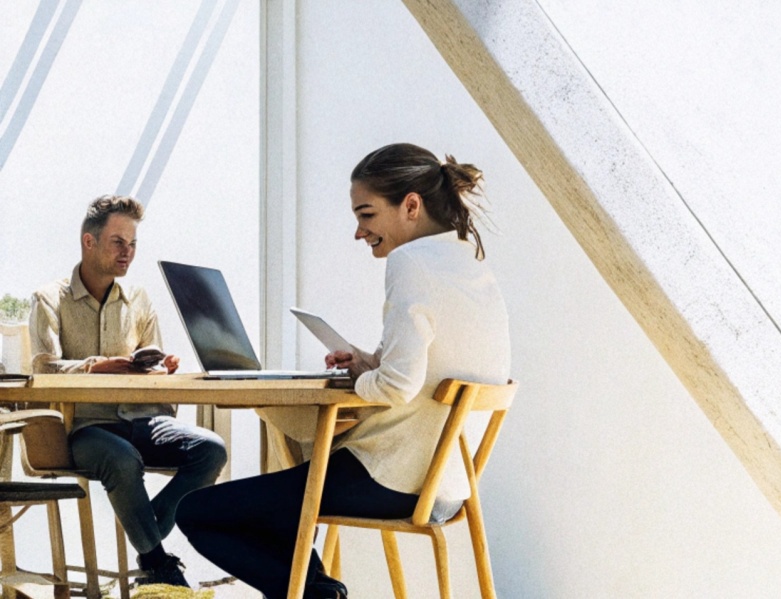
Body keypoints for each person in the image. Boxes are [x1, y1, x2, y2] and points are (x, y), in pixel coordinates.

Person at [178, 143, 511, 599]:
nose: (359, 232)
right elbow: (425, 373)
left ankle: (318, 594)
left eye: (367, 214)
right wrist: (365, 361)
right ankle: (319, 592)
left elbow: (396, 386)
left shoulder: (410, 262)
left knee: (198, 511)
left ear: (410, 205)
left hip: (393, 478)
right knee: (279, 504)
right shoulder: (466, 263)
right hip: (448, 485)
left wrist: (360, 379)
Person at [28, 195, 229, 590]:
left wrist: (162, 368)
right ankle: (157, 561)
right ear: (89, 241)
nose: (128, 253)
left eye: (133, 243)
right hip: (86, 428)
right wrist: (96, 366)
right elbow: (43, 367)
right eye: (119, 242)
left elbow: (150, 364)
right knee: (122, 458)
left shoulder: (138, 300)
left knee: (212, 450)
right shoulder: (49, 299)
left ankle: (148, 532)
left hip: (144, 418)